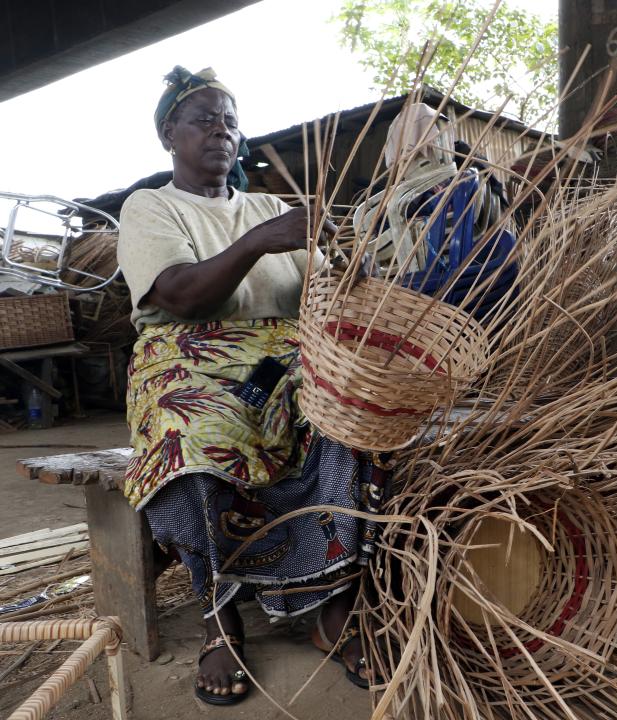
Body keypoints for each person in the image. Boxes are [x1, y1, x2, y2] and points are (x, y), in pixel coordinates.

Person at [117, 66, 382, 705]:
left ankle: (332, 603)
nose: (221, 131)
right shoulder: (151, 206)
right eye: (204, 119)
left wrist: (353, 265)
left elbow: (324, 290)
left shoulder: (268, 207)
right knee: (197, 439)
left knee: (344, 425)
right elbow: (178, 294)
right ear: (167, 133)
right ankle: (220, 613)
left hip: (281, 361)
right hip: (187, 364)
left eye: (231, 121)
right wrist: (261, 241)